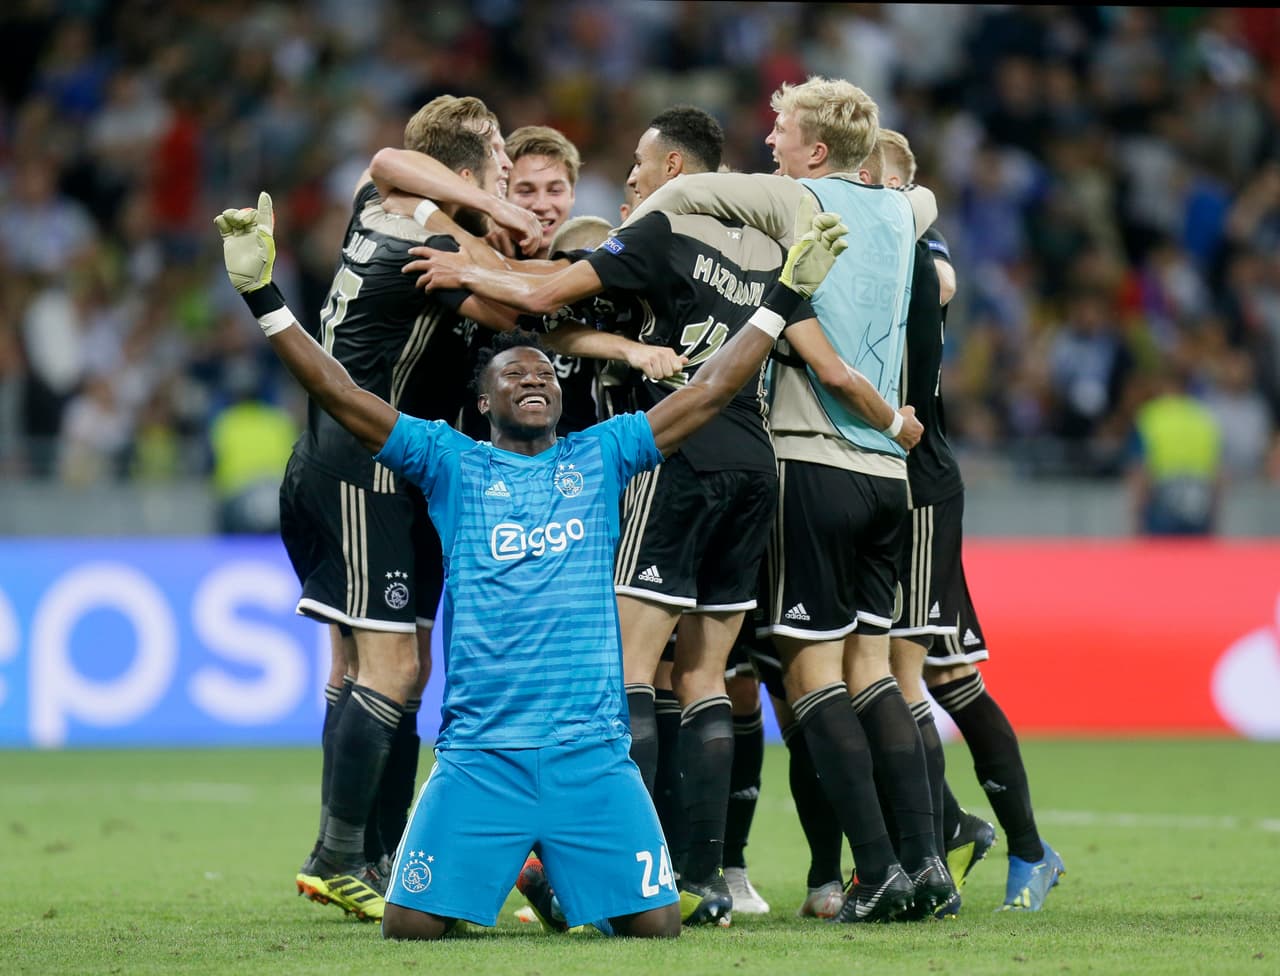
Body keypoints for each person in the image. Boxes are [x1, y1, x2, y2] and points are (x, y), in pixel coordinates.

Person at [214, 184, 849, 939]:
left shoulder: (604, 453)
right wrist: (262, 295)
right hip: (482, 756)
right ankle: (519, 867)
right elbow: (340, 392)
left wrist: (779, 299)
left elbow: (709, 391)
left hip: (592, 757)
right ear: (483, 403)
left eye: (544, 374)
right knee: (408, 928)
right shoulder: (449, 461)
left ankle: (563, 875)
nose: (533, 379)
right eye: (513, 375)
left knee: (656, 929)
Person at [403, 104, 823, 926]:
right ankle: (710, 873)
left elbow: (547, 305)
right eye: (525, 186)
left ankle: (638, 871)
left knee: (636, 678)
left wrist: (477, 275)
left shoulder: (636, 235)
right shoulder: (754, 247)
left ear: (672, 171)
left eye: (557, 186)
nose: (551, 198)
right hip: (744, 458)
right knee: (704, 677)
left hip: (637, 470)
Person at [623, 76, 953, 921]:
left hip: (815, 459)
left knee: (810, 681)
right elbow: (922, 195)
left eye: (781, 132)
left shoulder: (794, 198)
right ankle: (926, 869)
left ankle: (874, 868)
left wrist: (635, 228)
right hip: (891, 477)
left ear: (814, 153)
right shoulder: (902, 212)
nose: (768, 142)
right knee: (874, 670)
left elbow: (690, 185)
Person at [284, 105, 522, 922]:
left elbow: (385, 163)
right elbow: (513, 307)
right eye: (498, 155)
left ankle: (378, 853)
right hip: (363, 471)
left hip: (387, 474)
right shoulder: (439, 241)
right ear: (466, 168)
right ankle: (338, 853)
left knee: (384, 671)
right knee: (387, 671)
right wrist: (505, 226)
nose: (508, 167)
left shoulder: (381, 205)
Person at [875, 129, 1066, 912]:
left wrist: (913, 216)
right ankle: (991, 836)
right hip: (868, 479)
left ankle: (963, 847)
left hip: (917, 480)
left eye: (877, 181)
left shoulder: (921, 247)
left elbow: (945, 279)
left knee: (906, 673)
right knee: (943, 676)